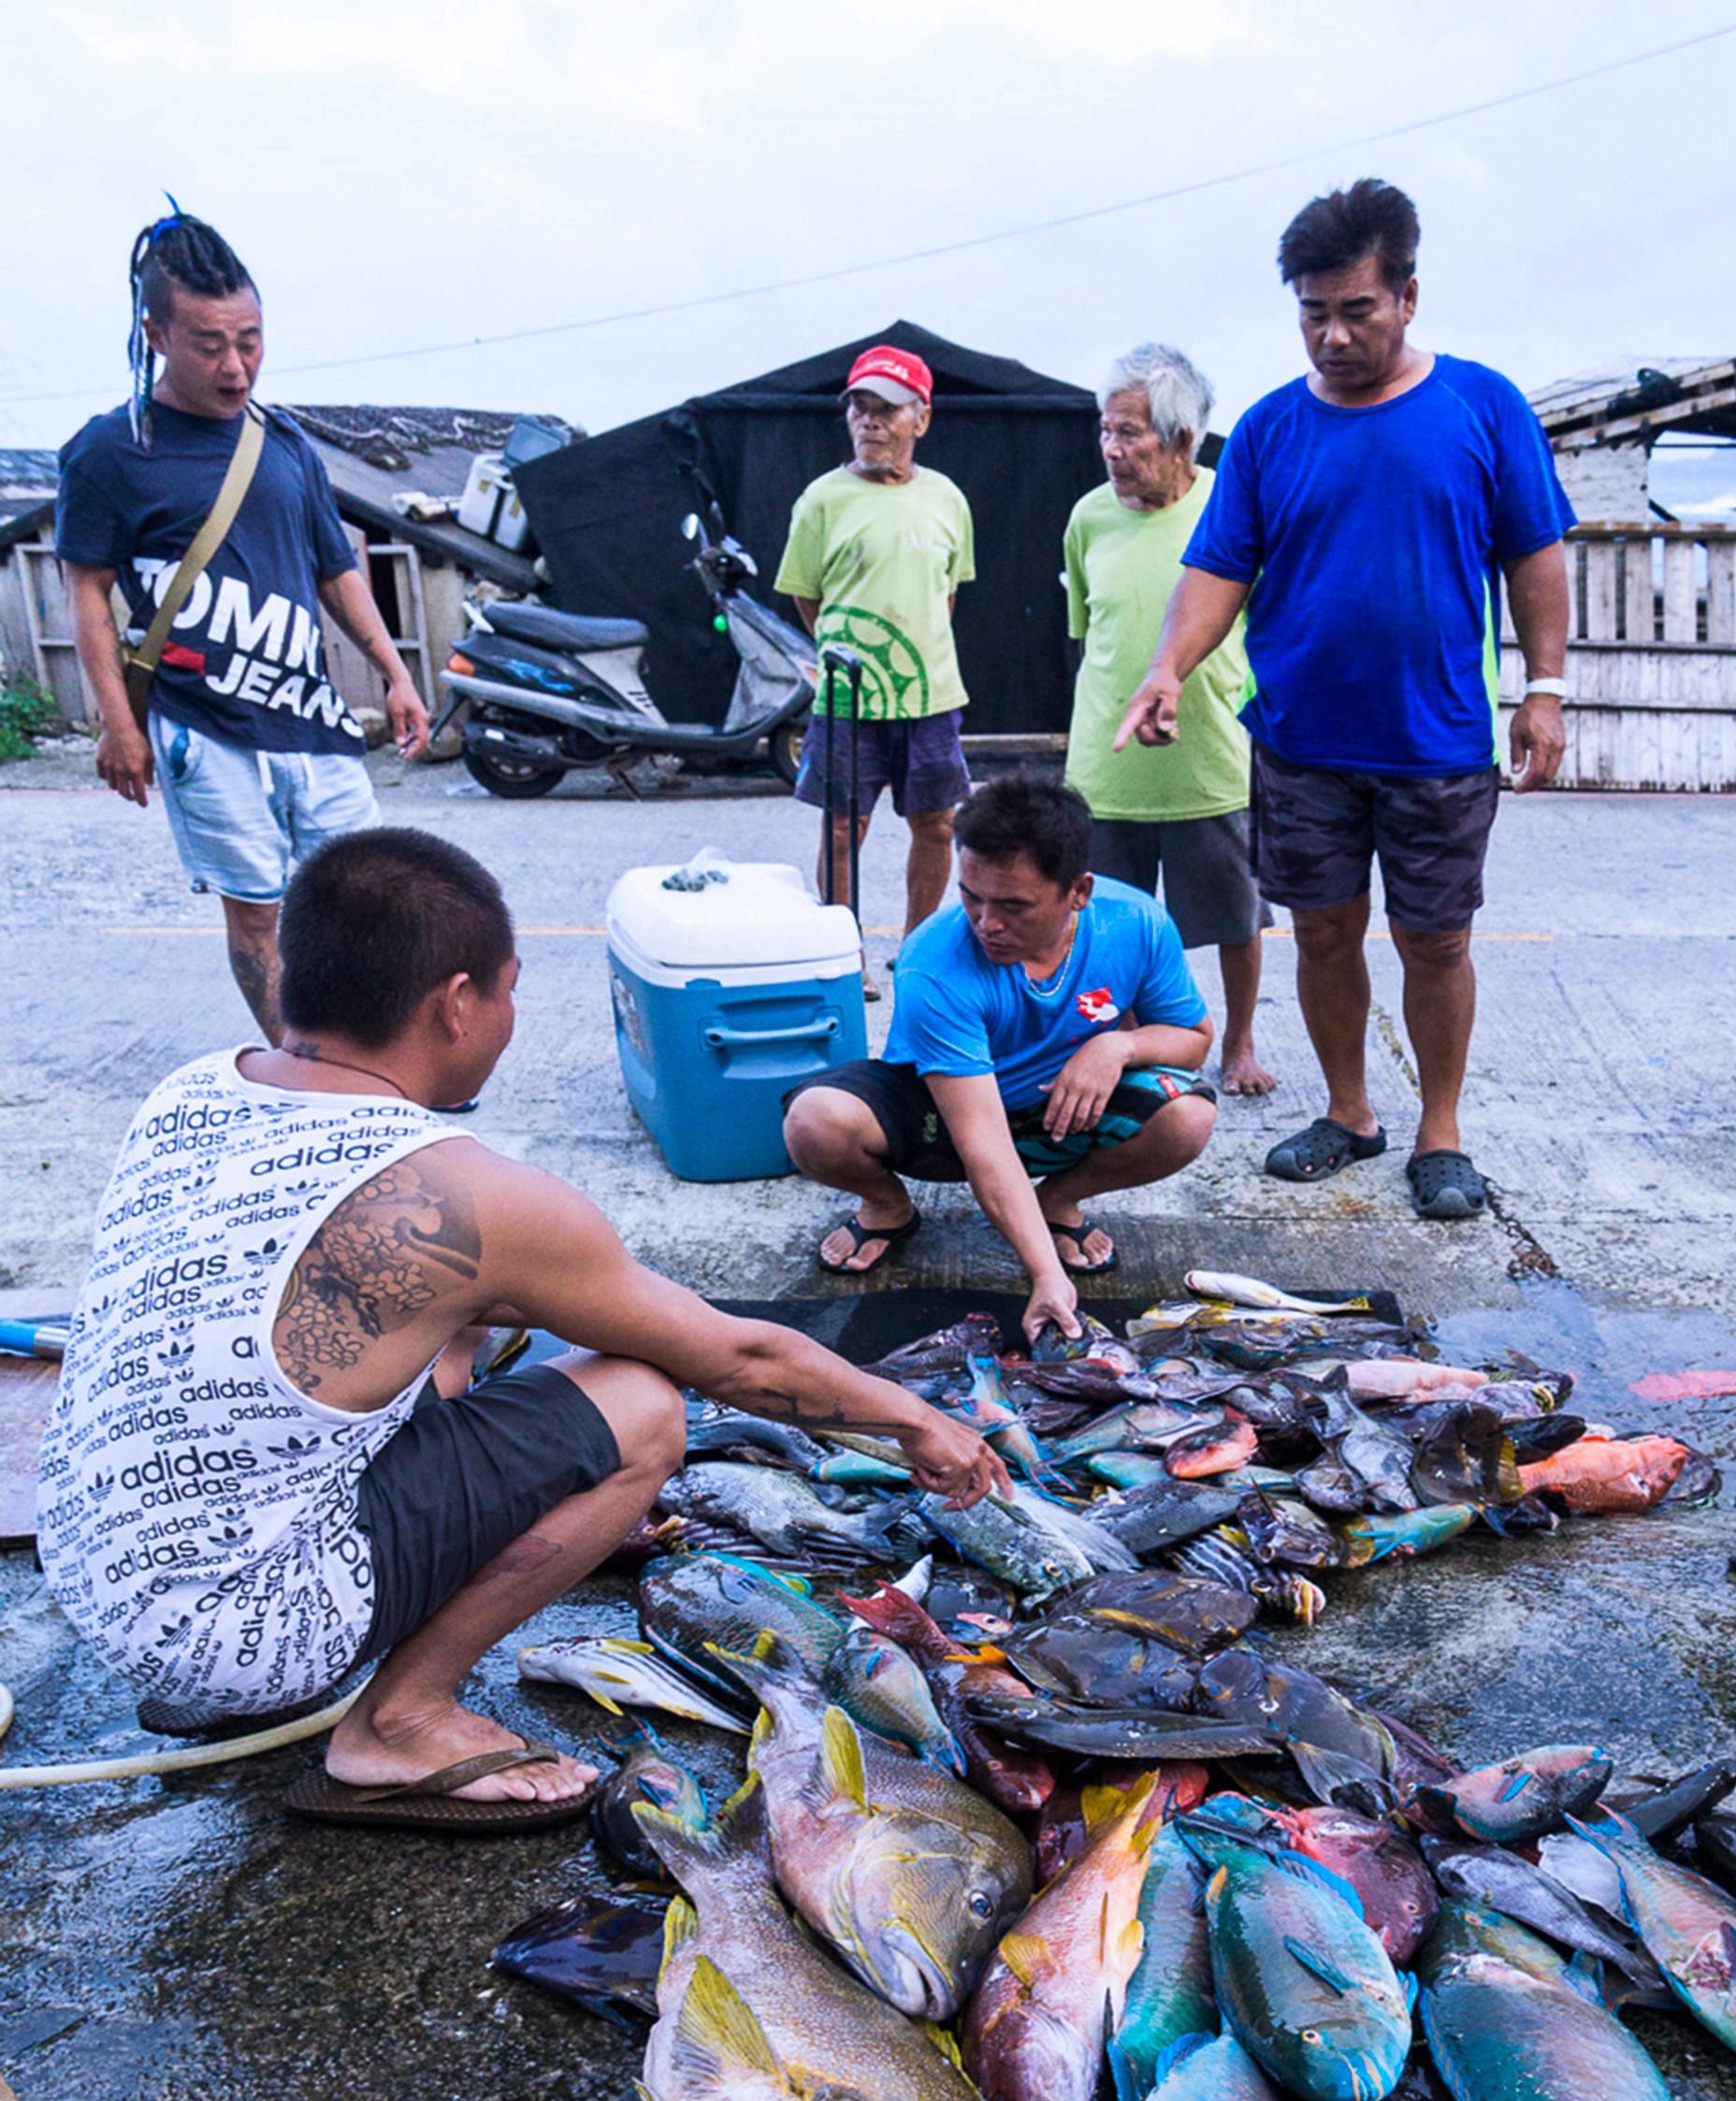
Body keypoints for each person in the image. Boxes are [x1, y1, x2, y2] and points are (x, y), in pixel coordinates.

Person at [36, 829, 1003, 1829]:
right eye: (507, 988)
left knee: (465, 1323)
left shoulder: (198, 1087)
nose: (509, 1012)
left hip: (103, 1573)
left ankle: (253, 1668)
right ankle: (396, 1723)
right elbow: (740, 1359)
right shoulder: (470, 1195)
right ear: (455, 1002)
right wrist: (910, 1421)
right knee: (639, 1405)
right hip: (248, 1623)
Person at [1118, 178, 1573, 1218]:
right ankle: (1349, 1112)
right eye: (1312, 313)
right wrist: (1165, 668)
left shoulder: (1480, 404)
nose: (1331, 335)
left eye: (1354, 310)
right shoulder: (1273, 429)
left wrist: (1544, 690)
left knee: (1437, 940)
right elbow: (1218, 567)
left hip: (1438, 737)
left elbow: (1535, 556)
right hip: (1300, 742)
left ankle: (1440, 1131)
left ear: (1407, 296)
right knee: (1322, 933)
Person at [56, 211, 431, 1042]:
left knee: (367, 896)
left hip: (310, 718)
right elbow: (85, 593)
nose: (235, 367)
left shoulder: (286, 444)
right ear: (155, 333)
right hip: (204, 727)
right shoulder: (110, 452)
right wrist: (120, 727)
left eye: (251, 341)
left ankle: (384, 1068)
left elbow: (338, 570)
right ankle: (306, 1075)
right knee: (259, 917)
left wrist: (397, 673)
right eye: (208, 344)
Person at [783, 775, 1217, 1340]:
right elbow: (983, 1143)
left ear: (1078, 891)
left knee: (1188, 1117)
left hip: (1061, 1111)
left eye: (1014, 906)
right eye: (971, 896)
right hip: (943, 1112)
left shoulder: (1135, 922)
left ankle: (1056, 1200)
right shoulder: (933, 962)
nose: (987, 922)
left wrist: (1119, 1044)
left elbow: (1194, 1035)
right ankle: (888, 1208)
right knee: (815, 1124)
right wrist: (1045, 1276)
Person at [1063, 343, 1274, 1097]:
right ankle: (1115, 1044)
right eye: (1105, 431)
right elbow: (1090, 634)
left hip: (1211, 753)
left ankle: (1239, 1043)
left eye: (1130, 433)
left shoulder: (1231, 505)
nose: (1112, 450)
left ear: (1184, 439)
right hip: (1104, 763)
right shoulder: (1087, 517)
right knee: (1099, 925)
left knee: (1236, 917)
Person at [776, 344, 976, 945]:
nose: (870, 421)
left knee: (938, 825)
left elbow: (946, 595)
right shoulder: (821, 500)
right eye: (860, 408)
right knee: (842, 829)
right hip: (848, 697)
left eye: (886, 409)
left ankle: (917, 948)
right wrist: (851, 650)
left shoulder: (947, 498)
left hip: (930, 694)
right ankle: (844, 949)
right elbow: (806, 596)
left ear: (921, 418)